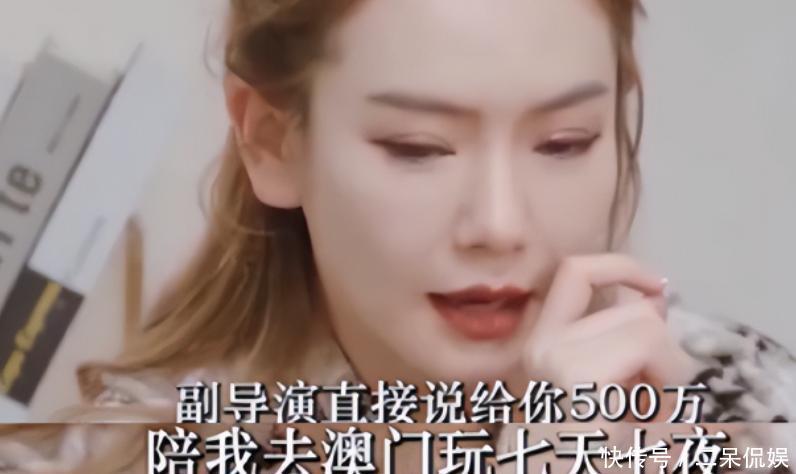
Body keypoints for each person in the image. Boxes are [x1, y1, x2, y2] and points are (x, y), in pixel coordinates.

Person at [1, 0, 794, 472]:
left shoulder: (743, 404)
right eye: (418, 148)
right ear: (271, 140)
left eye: (564, 142)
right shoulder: (128, 453)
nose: (500, 225)